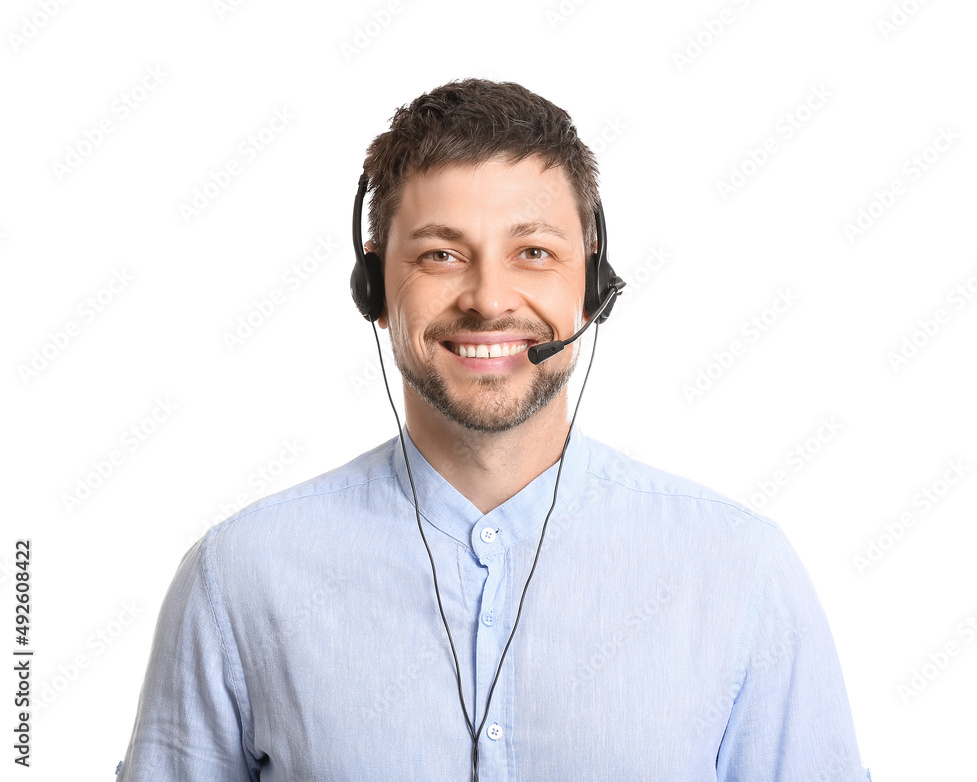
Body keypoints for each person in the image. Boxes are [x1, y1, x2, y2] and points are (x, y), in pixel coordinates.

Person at [116, 78, 871, 781]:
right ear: (375, 288)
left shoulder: (740, 573)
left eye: (533, 252)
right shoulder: (240, 577)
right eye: (442, 254)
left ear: (593, 284)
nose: (488, 298)